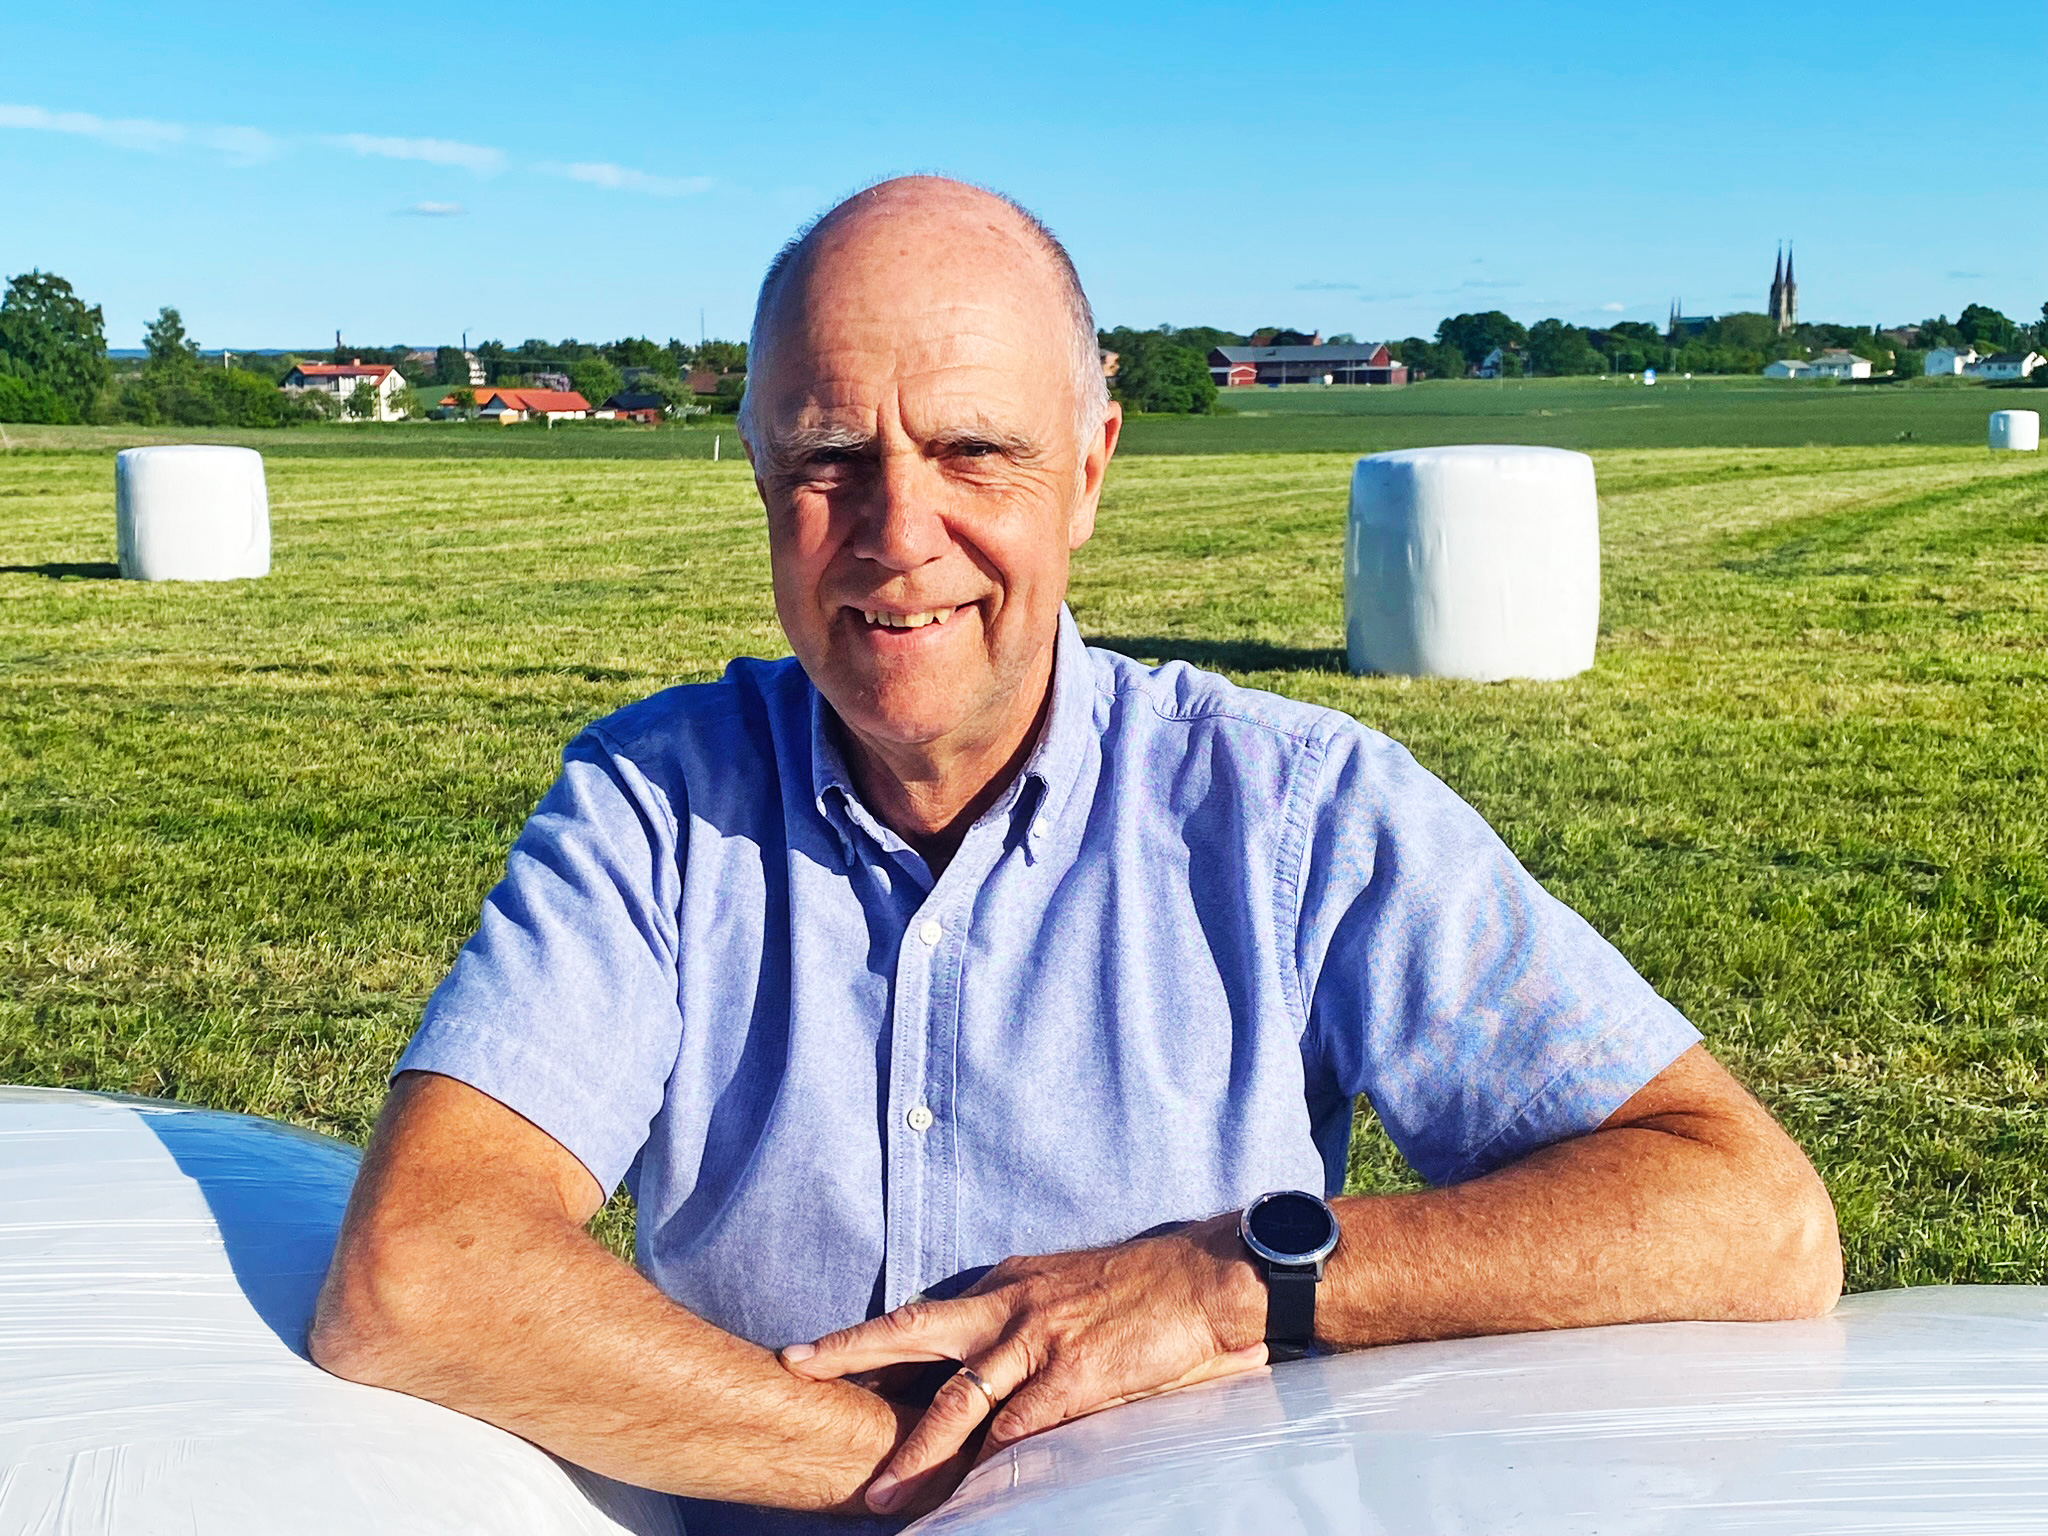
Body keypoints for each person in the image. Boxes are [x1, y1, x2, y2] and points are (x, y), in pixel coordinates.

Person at [311, 178, 1840, 1532]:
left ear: (1092, 470)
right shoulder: (654, 807)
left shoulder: (1295, 812)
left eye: (974, 450)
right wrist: (945, 1477)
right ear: (762, 478)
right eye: (830, 456)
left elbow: (1751, 1218)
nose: (899, 532)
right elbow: (419, 1272)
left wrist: (1237, 1278)